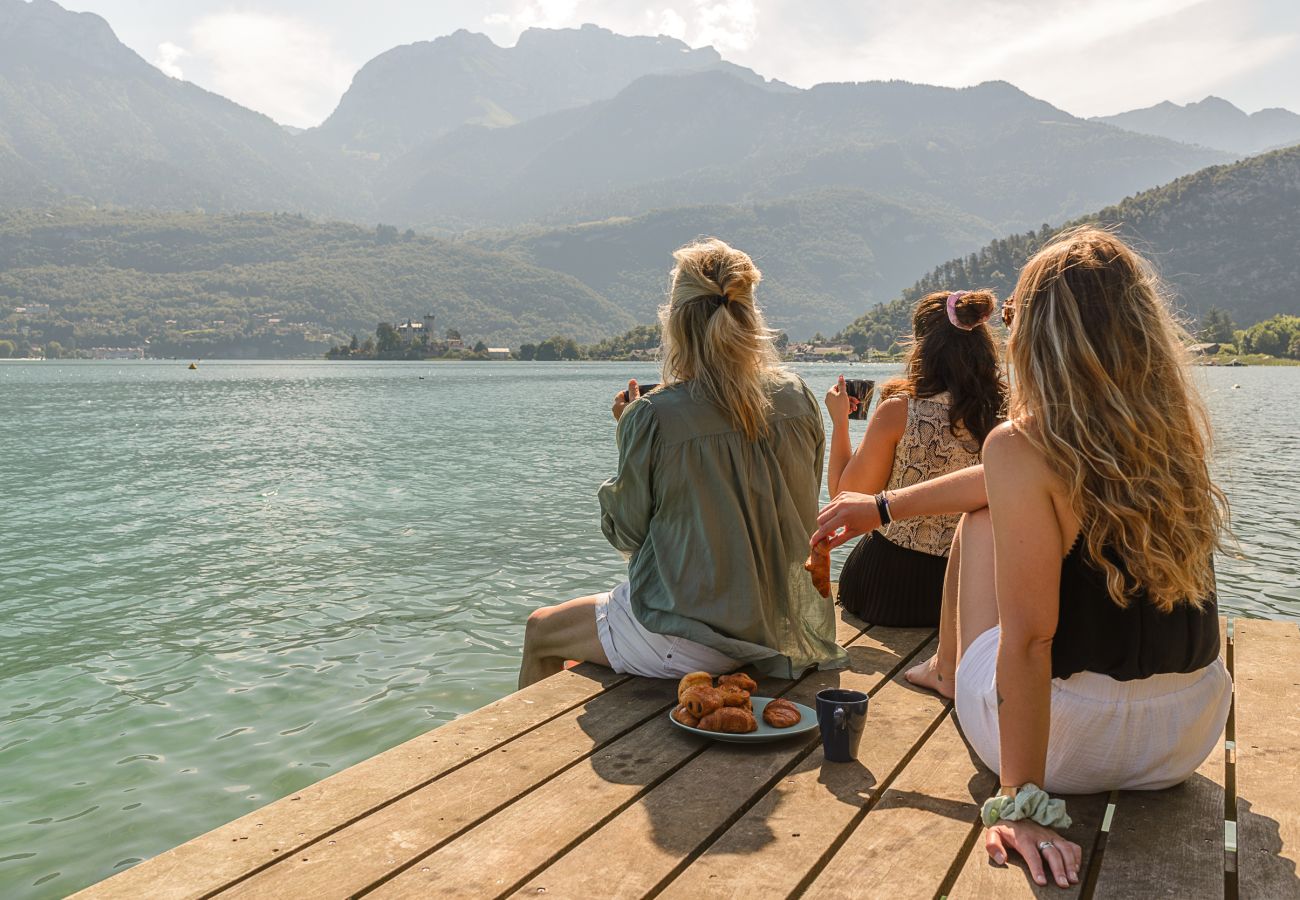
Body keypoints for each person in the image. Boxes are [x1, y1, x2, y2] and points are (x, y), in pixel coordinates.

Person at [812, 227, 1231, 890]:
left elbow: (1032, 641)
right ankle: (950, 671)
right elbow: (1010, 479)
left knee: (982, 520)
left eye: (1013, 316)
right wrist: (885, 507)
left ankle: (950, 672)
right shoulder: (1174, 430)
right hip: (1188, 732)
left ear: (1039, 332)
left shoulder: (1020, 445)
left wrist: (1023, 807)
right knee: (994, 501)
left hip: (1074, 747)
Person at [519, 237, 847, 689]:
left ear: (675, 324)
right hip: (779, 625)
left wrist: (628, 434)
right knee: (595, 641)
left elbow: (628, 535)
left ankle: (531, 759)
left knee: (541, 629)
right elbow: (804, 505)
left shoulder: (653, 417)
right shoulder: (798, 396)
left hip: (693, 637)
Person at [824, 289, 1004, 626]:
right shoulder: (1010, 416)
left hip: (889, 589)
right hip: (974, 593)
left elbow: (845, 501)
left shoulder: (899, 411)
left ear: (922, 346)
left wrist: (839, 424)